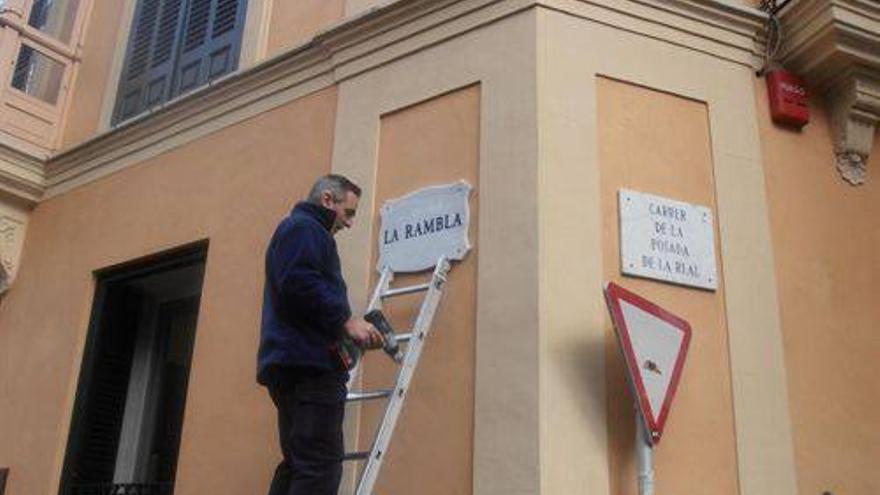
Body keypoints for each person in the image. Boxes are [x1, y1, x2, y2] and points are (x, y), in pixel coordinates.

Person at [258, 174, 384, 495]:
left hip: (294, 364)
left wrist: (345, 334)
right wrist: (346, 320)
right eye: (349, 212)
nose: (350, 223)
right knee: (319, 467)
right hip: (310, 367)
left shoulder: (299, 231)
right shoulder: (305, 228)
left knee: (299, 464)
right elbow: (300, 283)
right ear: (328, 200)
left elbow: (299, 292)